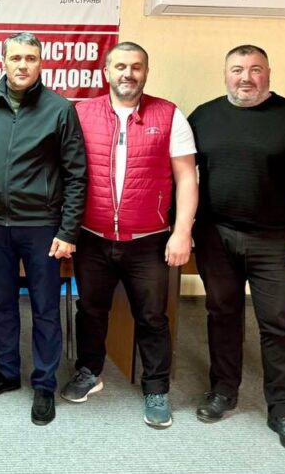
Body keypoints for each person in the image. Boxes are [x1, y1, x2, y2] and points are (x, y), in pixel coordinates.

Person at [188, 44, 285, 453]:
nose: (246, 77)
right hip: (216, 236)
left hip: (276, 240)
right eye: (237, 69)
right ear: (225, 73)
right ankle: (223, 390)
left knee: (278, 325)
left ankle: (283, 411)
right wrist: (182, 227)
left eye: (255, 69)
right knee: (222, 315)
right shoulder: (203, 117)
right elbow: (181, 174)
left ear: (268, 73)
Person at [62, 41, 197, 429]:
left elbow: (187, 177)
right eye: (120, 66)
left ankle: (156, 389)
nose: (128, 73)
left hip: (149, 239)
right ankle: (89, 371)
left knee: (152, 316)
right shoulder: (81, 114)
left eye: (136, 67)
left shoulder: (169, 115)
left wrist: (182, 231)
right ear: (106, 71)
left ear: (146, 72)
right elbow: (65, 173)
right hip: (92, 236)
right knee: (90, 310)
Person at [0, 32, 86, 426]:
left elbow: (76, 175)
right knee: (2, 303)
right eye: (16, 57)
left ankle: (44, 383)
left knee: (45, 308)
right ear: (3, 62)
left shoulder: (59, 109)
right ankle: (6, 373)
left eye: (30, 58)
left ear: (40, 63)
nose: (22, 65)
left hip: (42, 226)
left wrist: (68, 231)